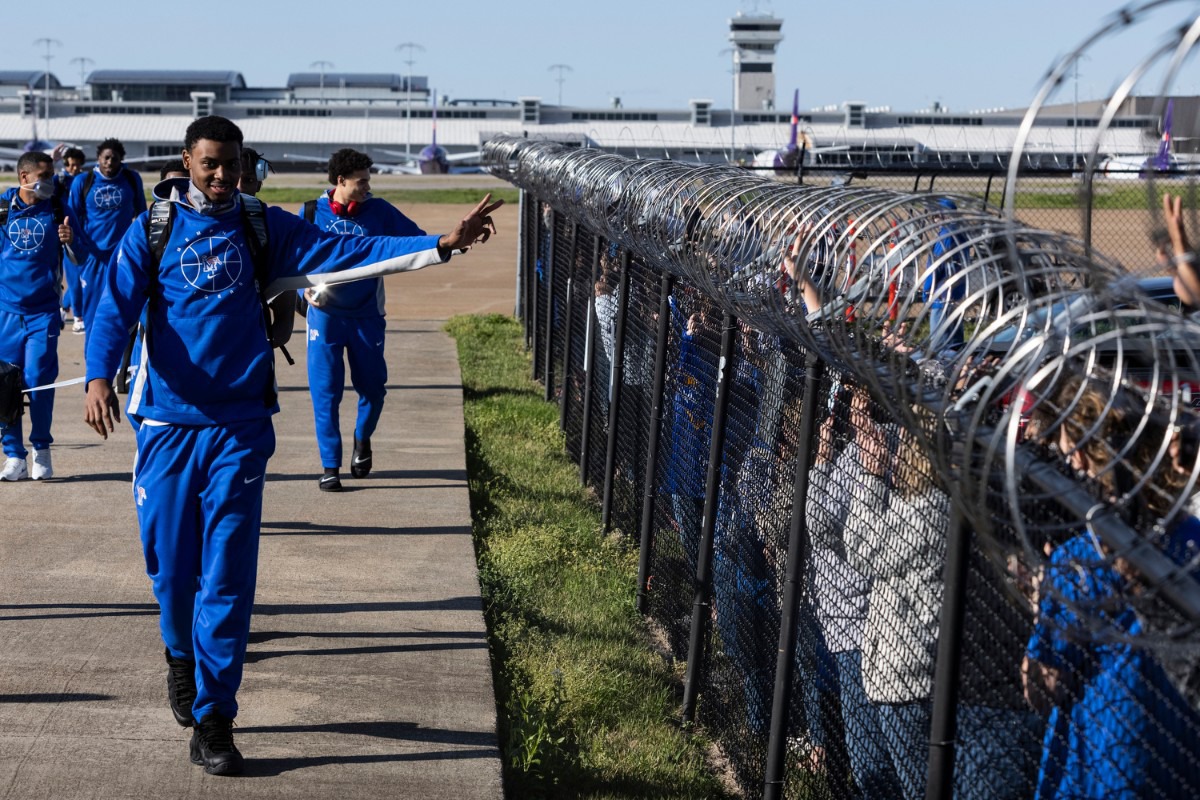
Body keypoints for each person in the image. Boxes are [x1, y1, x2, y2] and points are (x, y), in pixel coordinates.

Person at [82, 115, 501, 776]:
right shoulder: (153, 229)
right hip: (164, 424)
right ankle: (179, 653)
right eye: (209, 164)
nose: (221, 177)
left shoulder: (263, 226)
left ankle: (217, 717)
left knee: (227, 569)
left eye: (231, 164)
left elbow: (353, 253)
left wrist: (442, 244)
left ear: (245, 164)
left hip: (241, 426)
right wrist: (100, 376)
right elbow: (113, 306)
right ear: (187, 162)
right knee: (169, 563)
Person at [298, 148, 426, 491]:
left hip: (367, 316)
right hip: (324, 318)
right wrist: (302, 293)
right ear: (341, 181)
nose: (368, 187)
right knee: (325, 394)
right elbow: (291, 261)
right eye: (362, 181)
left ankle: (362, 437)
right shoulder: (311, 212)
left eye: (369, 180)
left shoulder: (379, 211)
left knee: (373, 389)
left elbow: (417, 241)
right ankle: (329, 466)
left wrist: (450, 243)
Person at [0, 151, 75, 481]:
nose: (51, 181)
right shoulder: (3, 210)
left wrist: (70, 242)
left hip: (42, 312)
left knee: (38, 380)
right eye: (44, 175)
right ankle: (14, 455)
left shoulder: (58, 208)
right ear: (24, 178)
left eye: (53, 174)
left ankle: (41, 448)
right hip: (5, 312)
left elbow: (80, 255)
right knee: (6, 384)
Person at [67, 137, 146, 335]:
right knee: (93, 313)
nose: (110, 162)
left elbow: (142, 215)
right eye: (106, 158)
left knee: (124, 310)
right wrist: (78, 248)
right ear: (98, 159)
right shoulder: (83, 182)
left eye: (115, 159)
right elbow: (73, 219)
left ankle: (122, 363)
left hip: (122, 256)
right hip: (93, 257)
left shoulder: (131, 179)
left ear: (121, 160)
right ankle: (92, 361)